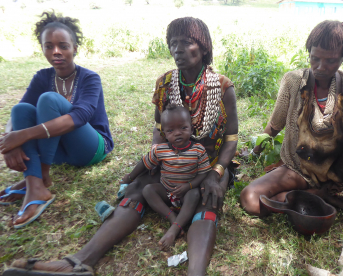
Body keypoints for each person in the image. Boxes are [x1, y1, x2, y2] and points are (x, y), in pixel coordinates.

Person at [5, 17, 238, 276]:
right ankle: (78, 263)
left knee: (207, 197)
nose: (178, 49)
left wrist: (216, 174)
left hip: (207, 165)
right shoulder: (165, 83)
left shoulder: (223, 87)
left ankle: (197, 272)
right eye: (173, 43)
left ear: (204, 47)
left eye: (187, 42)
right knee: (138, 187)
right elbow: (159, 129)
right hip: (170, 157)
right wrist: (157, 158)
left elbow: (231, 139)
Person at [240, 20, 343, 237]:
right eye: (315, 58)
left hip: (341, 168)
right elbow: (276, 122)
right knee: (251, 200)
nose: (320, 66)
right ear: (309, 53)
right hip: (299, 168)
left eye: (331, 60)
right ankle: (323, 194)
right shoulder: (294, 81)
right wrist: (255, 150)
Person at [0, 11, 113, 228]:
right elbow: (19, 117)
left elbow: (79, 118)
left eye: (63, 45)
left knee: (49, 100)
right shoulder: (42, 77)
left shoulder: (90, 78)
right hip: (58, 152)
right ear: (42, 49)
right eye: (49, 46)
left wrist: (22, 136)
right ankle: (35, 184)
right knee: (21, 109)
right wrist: (10, 140)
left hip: (90, 148)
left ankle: (40, 177)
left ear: (75, 48)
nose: (56, 52)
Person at [123, 104, 211, 249]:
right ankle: (172, 217)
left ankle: (175, 228)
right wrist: (130, 177)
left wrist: (188, 186)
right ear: (164, 134)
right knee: (148, 190)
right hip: (166, 191)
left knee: (194, 194)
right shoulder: (160, 150)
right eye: (171, 130)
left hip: (186, 192)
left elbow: (203, 172)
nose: (177, 133)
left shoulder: (198, 150)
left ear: (191, 128)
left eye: (183, 128)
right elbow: (144, 164)